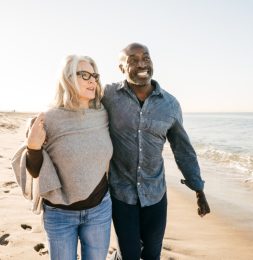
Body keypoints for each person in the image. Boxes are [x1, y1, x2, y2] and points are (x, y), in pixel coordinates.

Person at [102, 43, 210, 260]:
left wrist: (198, 189)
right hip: (121, 194)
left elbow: (183, 149)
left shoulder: (170, 104)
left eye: (146, 58)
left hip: (155, 194)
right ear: (121, 68)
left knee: (152, 255)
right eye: (132, 60)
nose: (141, 64)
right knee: (129, 255)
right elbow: (81, 113)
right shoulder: (108, 96)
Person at [12, 55, 113, 260]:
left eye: (94, 75)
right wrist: (33, 147)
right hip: (60, 214)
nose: (92, 80)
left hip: (99, 209)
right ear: (67, 78)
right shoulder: (49, 119)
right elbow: (35, 171)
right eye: (84, 75)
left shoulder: (102, 114)